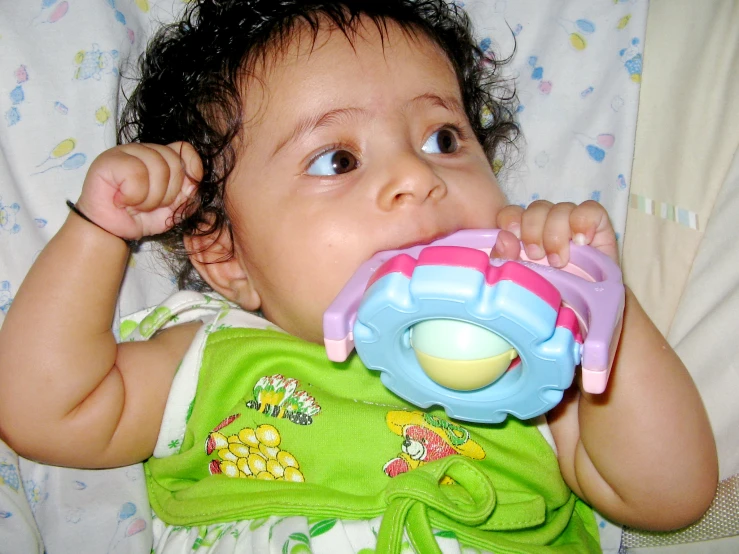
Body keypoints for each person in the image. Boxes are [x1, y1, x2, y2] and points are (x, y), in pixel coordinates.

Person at [0, 0, 717, 552]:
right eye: (336, 159)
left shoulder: (527, 354)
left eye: (442, 139)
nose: (415, 177)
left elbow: (670, 497)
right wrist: (99, 231)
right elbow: (41, 412)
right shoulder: (203, 355)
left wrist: (595, 301)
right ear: (226, 257)